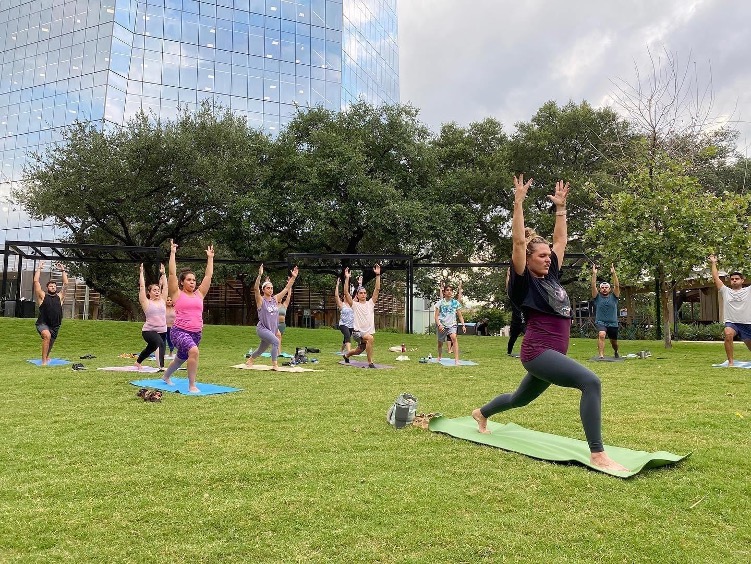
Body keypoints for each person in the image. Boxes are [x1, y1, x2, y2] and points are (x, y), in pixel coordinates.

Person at [472, 174, 627, 472]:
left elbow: (560, 240)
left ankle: (481, 413)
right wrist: (518, 202)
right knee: (591, 382)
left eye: (548, 256)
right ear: (527, 260)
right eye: (541, 256)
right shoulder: (522, 284)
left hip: (553, 353)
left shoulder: (552, 276)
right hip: (538, 352)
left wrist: (561, 208)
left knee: (519, 399)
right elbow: (518, 241)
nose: (547, 259)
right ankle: (597, 453)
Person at [161, 240, 214, 393]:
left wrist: (210, 258)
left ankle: (165, 376)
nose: (192, 282)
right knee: (194, 352)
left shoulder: (199, 294)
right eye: (189, 280)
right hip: (179, 331)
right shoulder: (177, 294)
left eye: (194, 280)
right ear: (182, 282)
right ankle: (192, 385)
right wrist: (172, 253)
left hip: (196, 333)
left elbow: (208, 276)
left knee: (180, 359)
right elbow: (171, 274)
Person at [245, 264, 299, 370]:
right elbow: (256, 289)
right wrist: (259, 275)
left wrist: (293, 277)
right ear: (264, 290)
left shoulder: (275, 299)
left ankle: (250, 360)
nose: (270, 290)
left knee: (261, 349)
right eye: (268, 288)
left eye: (272, 288)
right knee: (276, 341)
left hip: (272, 329)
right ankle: (275, 364)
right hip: (262, 329)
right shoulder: (261, 300)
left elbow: (287, 287)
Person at [709, 254, 751, 366]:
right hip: (732, 322)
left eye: (737, 279)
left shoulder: (748, 291)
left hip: (747, 324)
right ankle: (731, 362)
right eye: (732, 279)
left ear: (742, 280)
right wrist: (713, 263)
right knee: (728, 333)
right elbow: (715, 277)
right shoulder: (725, 291)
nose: (734, 281)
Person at [343, 264, 381, 368]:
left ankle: (346, 355)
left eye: (365, 293)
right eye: (361, 293)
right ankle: (370, 363)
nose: (363, 294)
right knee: (370, 338)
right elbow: (346, 293)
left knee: (358, 351)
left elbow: (377, 290)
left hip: (366, 333)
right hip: (357, 333)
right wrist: (347, 278)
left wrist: (377, 275)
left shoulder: (370, 304)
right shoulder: (355, 305)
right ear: (358, 295)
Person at [33, 261, 68, 365]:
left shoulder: (60, 297)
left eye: (54, 286)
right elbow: (36, 282)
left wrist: (63, 270)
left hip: (55, 325)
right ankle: (43, 362)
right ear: (47, 288)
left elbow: (66, 284)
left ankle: (47, 357)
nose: (53, 287)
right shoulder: (43, 296)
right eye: (51, 286)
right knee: (47, 336)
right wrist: (39, 268)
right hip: (42, 323)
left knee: (50, 343)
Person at [134, 263, 168, 370]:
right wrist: (141, 273)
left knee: (151, 348)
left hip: (162, 330)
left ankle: (138, 362)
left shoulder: (163, 300)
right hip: (149, 331)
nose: (157, 292)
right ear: (149, 293)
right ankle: (161, 367)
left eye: (158, 290)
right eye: (154, 290)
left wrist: (163, 274)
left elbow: (166, 286)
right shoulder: (146, 302)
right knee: (160, 344)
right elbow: (142, 286)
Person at [591, 263, 621, 359]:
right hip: (601, 322)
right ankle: (601, 355)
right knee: (602, 334)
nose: (604, 289)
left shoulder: (614, 297)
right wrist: (594, 274)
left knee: (614, 343)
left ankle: (616, 351)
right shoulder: (597, 297)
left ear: (609, 289)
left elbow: (617, 285)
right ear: (600, 289)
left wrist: (614, 273)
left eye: (606, 287)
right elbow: (593, 286)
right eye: (602, 288)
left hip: (613, 323)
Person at [435, 283, 466, 364]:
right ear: (444, 292)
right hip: (442, 325)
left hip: (452, 325)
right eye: (447, 290)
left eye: (451, 290)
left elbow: (460, 315)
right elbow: (436, 316)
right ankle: (439, 356)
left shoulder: (455, 303)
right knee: (440, 343)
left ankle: (456, 360)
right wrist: (439, 325)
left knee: (454, 338)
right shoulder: (440, 303)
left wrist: (463, 325)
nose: (449, 292)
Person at [506, 267, 526, 356]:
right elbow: (508, 288)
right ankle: (509, 352)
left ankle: (529, 352)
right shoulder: (513, 300)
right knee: (512, 338)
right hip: (516, 323)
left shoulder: (526, 299)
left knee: (530, 337)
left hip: (525, 323)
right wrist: (508, 275)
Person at [335, 270, 355, 354]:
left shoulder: (352, 303)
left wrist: (360, 283)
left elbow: (358, 293)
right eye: (345, 295)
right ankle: (349, 352)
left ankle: (341, 350)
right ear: (343, 297)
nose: (347, 296)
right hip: (343, 324)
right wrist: (337, 284)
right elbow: (336, 295)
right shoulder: (341, 304)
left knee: (346, 338)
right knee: (347, 335)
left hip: (351, 325)